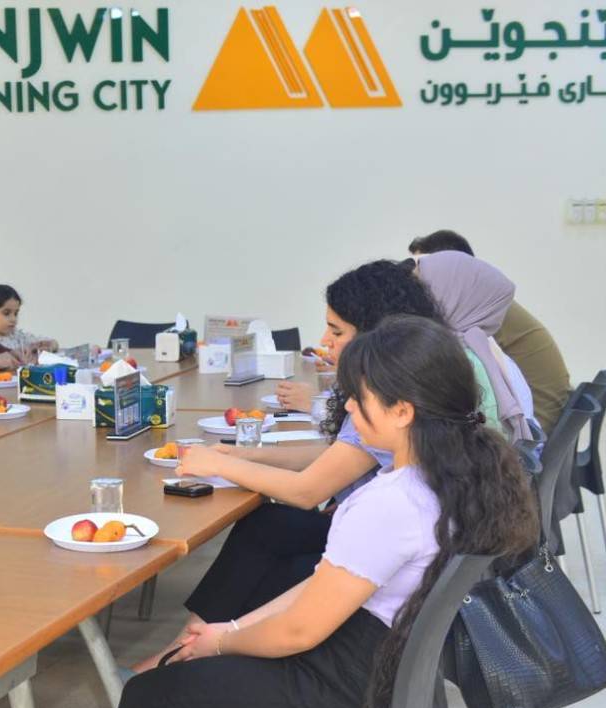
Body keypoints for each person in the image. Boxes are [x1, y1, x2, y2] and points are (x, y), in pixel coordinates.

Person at [96, 315, 538, 708]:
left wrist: (220, 645)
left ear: (402, 411)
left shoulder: (388, 503)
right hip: (384, 687)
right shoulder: (453, 479)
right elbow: (324, 584)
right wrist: (230, 630)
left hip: (348, 704)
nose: (347, 404)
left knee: (148, 698)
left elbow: (298, 631)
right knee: (184, 675)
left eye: (359, 397)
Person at [153, 261, 504, 666]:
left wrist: (219, 465)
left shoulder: (391, 399)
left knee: (272, 557)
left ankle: (205, 650)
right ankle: (193, 644)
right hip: (410, 549)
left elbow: (308, 491)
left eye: (336, 332)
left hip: (382, 575)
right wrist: (244, 454)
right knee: (266, 525)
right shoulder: (410, 380)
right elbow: (337, 456)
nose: (324, 341)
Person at [409, 229, 571, 433]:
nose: (413, 277)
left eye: (422, 267)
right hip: (539, 416)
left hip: (537, 419)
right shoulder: (481, 302)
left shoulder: (471, 312)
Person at [411, 249, 537, 443]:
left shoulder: (457, 361)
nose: (413, 299)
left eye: (422, 289)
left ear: (448, 295)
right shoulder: (479, 345)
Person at [0, 284, 59, 360]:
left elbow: (54, 342)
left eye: (16, 313)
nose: (13, 319)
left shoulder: (19, 337)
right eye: (6, 313)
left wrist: (49, 346)